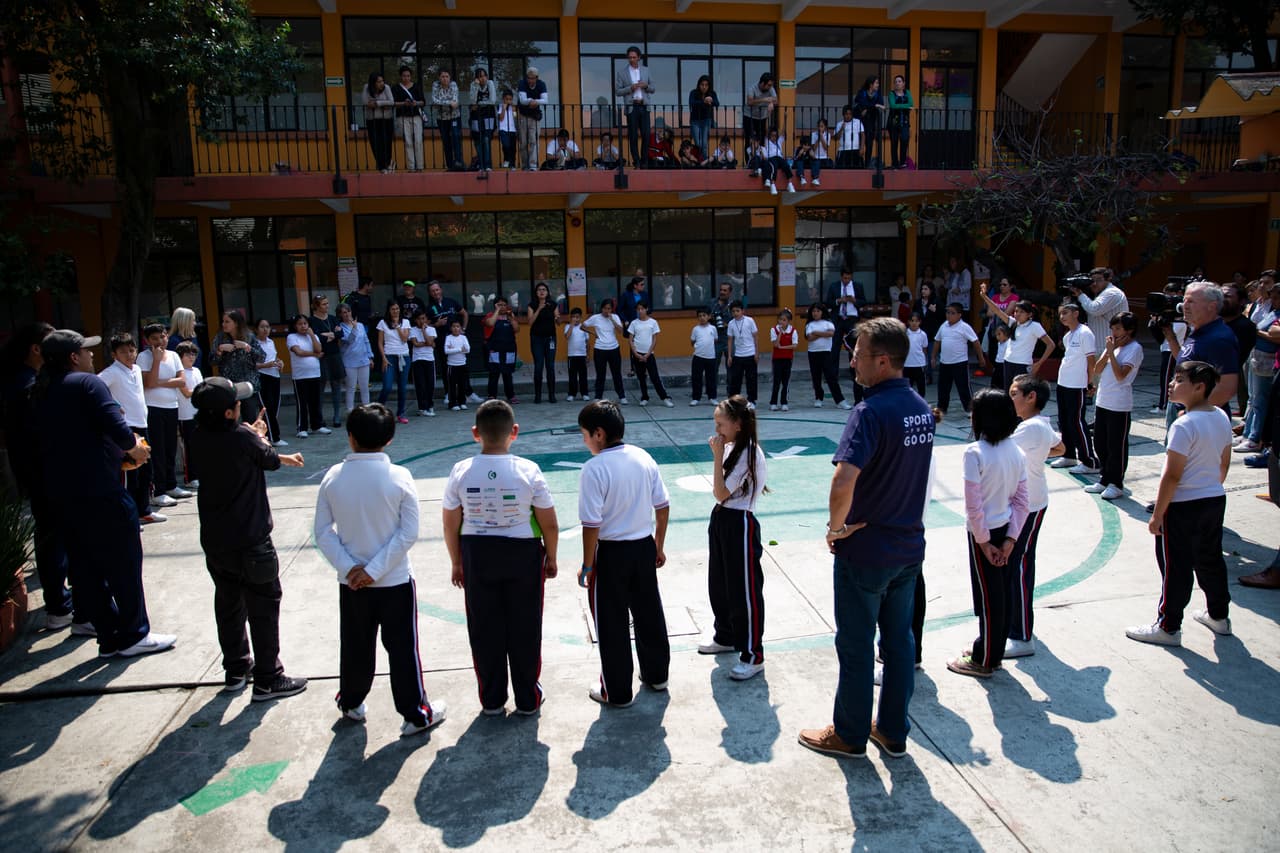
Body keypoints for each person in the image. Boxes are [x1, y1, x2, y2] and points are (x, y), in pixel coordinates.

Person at [798, 318, 935, 760]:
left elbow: (844, 480)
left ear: (881, 360)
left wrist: (836, 529)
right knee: (899, 645)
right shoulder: (918, 405)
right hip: (908, 547)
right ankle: (893, 730)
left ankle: (850, 733)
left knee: (856, 647)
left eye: (857, 352)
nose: (851, 359)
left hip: (867, 551)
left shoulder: (869, 411)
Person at [35, 329, 174, 657]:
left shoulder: (40, 391)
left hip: (62, 493)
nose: (91, 355)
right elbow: (117, 426)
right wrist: (135, 450)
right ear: (73, 357)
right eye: (85, 350)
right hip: (101, 490)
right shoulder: (87, 384)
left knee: (84, 567)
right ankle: (134, 633)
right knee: (123, 562)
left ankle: (109, 636)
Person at [315, 403, 446, 735]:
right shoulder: (399, 477)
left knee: (356, 643)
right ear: (390, 439)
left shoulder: (333, 477)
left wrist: (351, 569)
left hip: (352, 584)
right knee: (402, 648)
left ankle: (351, 701)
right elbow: (409, 532)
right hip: (395, 581)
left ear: (350, 438)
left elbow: (322, 532)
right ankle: (415, 714)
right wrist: (375, 570)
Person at [188, 376, 307, 699]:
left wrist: (251, 435)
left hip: (216, 539)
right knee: (263, 607)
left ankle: (236, 670)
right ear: (229, 412)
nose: (241, 405)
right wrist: (259, 437)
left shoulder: (197, 436)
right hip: (251, 539)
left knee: (228, 605)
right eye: (237, 403)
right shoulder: (242, 436)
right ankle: (269, 677)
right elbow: (268, 460)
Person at [442, 400, 559, 715]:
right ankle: (526, 698)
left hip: (477, 554)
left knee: (484, 627)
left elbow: (450, 521)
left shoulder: (461, 470)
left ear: (475, 433)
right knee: (526, 626)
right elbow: (549, 521)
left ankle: (492, 699)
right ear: (514, 432)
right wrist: (552, 556)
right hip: (523, 554)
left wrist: (457, 561)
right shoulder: (528, 470)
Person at [1126, 361, 1233, 647]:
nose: (1172, 384)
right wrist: (1209, 486)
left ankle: (1168, 626)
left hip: (1184, 506)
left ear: (1199, 387)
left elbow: (1172, 476)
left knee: (1176, 567)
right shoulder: (1222, 417)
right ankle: (1219, 616)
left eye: (1180, 379)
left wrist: (1157, 515)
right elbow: (1224, 463)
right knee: (1210, 559)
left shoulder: (1184, 425)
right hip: (1213, 499)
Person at [576, 400, 671, 707]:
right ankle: (657, 675)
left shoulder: (594, 469)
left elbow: (591, 525)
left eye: (585, 434)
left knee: (612, 622)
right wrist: (658, 544)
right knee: (649, 612)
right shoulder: (642, 457)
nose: (584, 440)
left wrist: (587, 565)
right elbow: (663, 505)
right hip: (643, 546)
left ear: (599, 434)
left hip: (612, 554)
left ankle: (616, 691)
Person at [947, 389, 1029, 678]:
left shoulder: (975, 453)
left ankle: (987, 660)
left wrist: (984, 543)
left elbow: (974, 504)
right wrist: (1010, 540)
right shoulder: (1015, 450)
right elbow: (1022, 501)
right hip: (1005, 530)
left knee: (989, 599)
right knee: (1000, 594)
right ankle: (987, 648)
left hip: (984, 534)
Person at [1, 322, 78, 630]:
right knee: (52, 535)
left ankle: (61, 599)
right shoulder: (25, 386)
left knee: (54, 534)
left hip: (40, 472)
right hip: (42, 473)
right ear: (36, 349)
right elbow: (35, 437)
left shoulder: (28, 381)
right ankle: (59, 605)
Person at [694, 395, 770, 680]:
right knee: (720, 582)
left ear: (737, 425)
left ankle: (753, 654)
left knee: (745, 592)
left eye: (720, 423)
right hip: (723, 519)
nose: (716, 430)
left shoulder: (748, 452)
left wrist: (715, 457)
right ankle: (725, 636)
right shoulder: (732, 447)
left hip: (740, 522)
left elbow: (721, 492)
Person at [1006, 374, 1065, 658]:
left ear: (1032, 397)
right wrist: (1038, 457)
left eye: (1015, 393)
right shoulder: (1040, 425)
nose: (1011, 398)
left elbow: (998, 455)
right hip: (1032, 500)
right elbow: (1061, 447)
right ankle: (1017, 622)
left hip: (1027, 505)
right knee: (1018, 563)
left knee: (1020, 565)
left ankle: (1021, 634)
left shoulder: (1028, 429)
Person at [99, 332, 163, 522]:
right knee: (130, 474)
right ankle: (130, 515)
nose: (129, 354)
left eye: (132, 350)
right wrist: (115, 407)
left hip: (142, 423)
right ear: (114, 355)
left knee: (145, 471)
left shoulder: (135, 369)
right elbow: (96, 388)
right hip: (126, 428)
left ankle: (144, 511)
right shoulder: (111, 372)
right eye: (123, 351)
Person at [1160, 281, 1239, 431]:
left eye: (1191, 301)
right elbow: (1186, 362)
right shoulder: (1198, 330)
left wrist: (1191, 414)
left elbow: (1227, 387)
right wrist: (1170, 337)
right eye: (1184, 300)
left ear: (1212, 306)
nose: (1185, 306)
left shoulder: (1219, 338)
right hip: (1184, 411)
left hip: (1201, 421)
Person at [1088, 313, 1143, 500]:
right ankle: (1105, 478)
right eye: (1113, 328)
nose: (1114, 332)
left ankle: (1116, 482)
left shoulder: (1134, 349)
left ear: (1129, 330)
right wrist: (1108, 351)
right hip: (1103, 400)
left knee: (1116, 445)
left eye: (1118, 328)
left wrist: (1112, 351)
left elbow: (1121, 376)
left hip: (1119, 404)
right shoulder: (1113, 346)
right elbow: (1097, 369)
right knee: (1100, 442)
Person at [137, 322, 191, 504]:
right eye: (155, 338)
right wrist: (157, 361)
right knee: (157, 449)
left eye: (163, 336)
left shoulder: (174, 355)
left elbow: (181, 382)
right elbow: (149, 383)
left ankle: (170, 485)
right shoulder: (144, 357)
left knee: (170, 448)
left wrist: (160, 382)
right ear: (147, 341)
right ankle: (158, 490)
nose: (160, 341)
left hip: (171, 406)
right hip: (153, 407)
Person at [1050, 303, 1098, 473]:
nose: (1062, 316)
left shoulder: (1085, 333)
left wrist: (1090, 382)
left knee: (1077, 421)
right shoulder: (1068, 336)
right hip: (1063, 383)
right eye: (1060, 313)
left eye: (1066, 312)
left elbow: (1091, 361)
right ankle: (1069, 455)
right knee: (1064, 420)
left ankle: (1089, 461)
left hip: (1077, 385)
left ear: (1076, 313)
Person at [978, 286, 1056, 385]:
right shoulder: (1013, 323)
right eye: (1016, 311)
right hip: (1008, 362)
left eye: (1021, 312)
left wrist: (1039, 363)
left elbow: (1051, 345)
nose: (1017, 314)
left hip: (1022, 365)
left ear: (1029, 314)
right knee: (1009, 393)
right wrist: (984, 297)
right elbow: (997, 311)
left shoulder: (1034, 326)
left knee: (1021, 393)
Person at [1238, 278, 1280, 452]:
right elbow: (1269, 331)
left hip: (1267, 360)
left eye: (1276, 297)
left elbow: (1274, 335)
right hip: (1256, 356)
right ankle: (1248, 433)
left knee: (1260, 400)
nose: (1273, 300)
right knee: (1253, 398)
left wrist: (1258, 331)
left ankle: (1255, 437)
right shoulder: (1273, 312)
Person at [931, 303, 987, 418]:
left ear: (959, 315)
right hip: (944, 362)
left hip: (959, 363)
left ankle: (970, 409)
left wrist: (981, 358)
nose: (949, 315)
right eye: (947, 312)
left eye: (952, 313)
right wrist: (933, 357)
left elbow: (975, 342)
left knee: (963, 387)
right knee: (943, 387)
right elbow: (937, 341)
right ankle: (942, 408)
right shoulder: (943, 326)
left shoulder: (964, 327)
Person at [426, 280, 478, 402]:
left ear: (441, 290)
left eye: (437, 289)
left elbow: (464, 314)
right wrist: (436, 324)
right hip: (442, 341)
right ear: (430, 293)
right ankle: (449, 393)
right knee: (446, 368)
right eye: (433, 291)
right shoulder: (429, 307)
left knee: (463, 367)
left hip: (457, 339)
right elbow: (425, 325)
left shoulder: (451, 302)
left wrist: (463, 329)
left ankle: (468, 392)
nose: (435, 292)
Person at [210, 310, 264, 424]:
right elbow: (211, 361)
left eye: (227, 322)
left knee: (249, 420)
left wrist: (248, 347)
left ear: (236, 323)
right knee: (228, 420)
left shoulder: (249, 337)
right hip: (228, 386)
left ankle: (249, 441)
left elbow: (262, 357)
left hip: (248, 385)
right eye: (223, 321)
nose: (223, 324)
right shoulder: (220, 337)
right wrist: (220, 350)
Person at [1072, 267, 1129, 356]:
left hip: (1110, 351)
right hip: (1101, 349)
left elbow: (1094, 309)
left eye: (1098, 280)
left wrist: (1080, 294)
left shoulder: (1112, 293)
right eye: (1092, 281)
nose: (1094, 284)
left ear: (1108, 279)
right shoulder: (1099, 295)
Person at [288, 315, 329, 438]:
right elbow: (298, 352)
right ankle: (302, 427)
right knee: (302, 402)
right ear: (295, 326)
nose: (303, 326)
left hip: (315, 373)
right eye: (300, 324)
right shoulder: (292, 337)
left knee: (315, 401)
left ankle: (317, 425)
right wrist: (314, 354)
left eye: (305, 323)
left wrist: (311, 335)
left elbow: (319, 349)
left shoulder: (314, 336)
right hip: (300, 376)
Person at [309, 294, 344, 428]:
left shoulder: (333, 319)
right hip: (322, 355)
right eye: (324, 304)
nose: (327, 306)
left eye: (327, 303)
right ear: (317, 306)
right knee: (320, 387)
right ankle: (319, 417)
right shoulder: (312, 320)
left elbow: (341, 334)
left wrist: (330, 335)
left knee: (336, 385)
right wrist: (330, 335)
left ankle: (336, 416)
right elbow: (316, 337)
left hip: (335, 355)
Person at [804, 302, 847, 409]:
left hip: (826, 353)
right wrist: (822, 334)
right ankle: (818, 397)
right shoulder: (809, 324)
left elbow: (831, 334)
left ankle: (840, 400)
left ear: (822, 312)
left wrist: (816, 333)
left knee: (831, 377)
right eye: (813, 311)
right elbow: (809, 337)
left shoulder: (828, 323)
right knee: (816, 377)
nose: (815, 313)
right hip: (813, 353)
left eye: (818, 311)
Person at [584, 299, 627, 403]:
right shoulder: (595, 318)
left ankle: (622, 396)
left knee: (616, 373)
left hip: (614, 349)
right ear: (601, 308)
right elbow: (582, 326)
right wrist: (594, 334)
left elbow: (621, 331)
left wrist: (612, 320)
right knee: (600, 374)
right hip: (600, 349)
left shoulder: (615, 317)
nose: (607, 311)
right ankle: (598, 396)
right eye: (605, 308)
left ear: (612, 309)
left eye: (609, 308)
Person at [251, 319, 286, 448]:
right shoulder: (254, 344)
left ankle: (265, 435)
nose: (265, 329)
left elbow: (274, 358)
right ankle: (274, 437)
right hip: (262, 377)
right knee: (267, 408)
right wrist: (267, 365)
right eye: (262, 327)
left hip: (274, 376)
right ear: (256, 329)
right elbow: (252, 365)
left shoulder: (271, 342)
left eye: (267, 326)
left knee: (275, 406)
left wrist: (279, 362)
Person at [377, 301, 411, 424]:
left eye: (397, 308)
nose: (395, 311)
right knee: (387, 386)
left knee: (402, 387)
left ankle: (401, 413)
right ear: (389, 310)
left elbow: (404, 338)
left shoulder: (405, 322)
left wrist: (397, 326)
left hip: (404, 357)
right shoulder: (382, 323)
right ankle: (377, 410)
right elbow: (380, 343)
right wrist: (383, 358)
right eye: (393, 309)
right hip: (389, 357)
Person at [336, 303, 372, 419]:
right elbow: (349, 340)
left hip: (363, 360)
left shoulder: (360, 325)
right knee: (351, 387)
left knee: (364, 386)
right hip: (349, 361)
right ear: (340, 315)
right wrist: (354, 328)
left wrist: (370, 356)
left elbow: (366, 341)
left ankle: (367, 410)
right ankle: (350, 411)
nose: (347, 314)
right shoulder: (340, 328)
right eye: (344, 312)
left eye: (348, 311)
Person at [525, 281, 558, 404]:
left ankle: (551, 395)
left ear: (547, 292)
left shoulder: (553, 304)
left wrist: (558, 318)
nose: (542, 291)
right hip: (536, 339)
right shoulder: (532, 305)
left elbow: (558, 320)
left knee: (550, 366)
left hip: (550, 338)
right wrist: (539, 308)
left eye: (544, 289)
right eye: (539, 290)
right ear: (536, 292)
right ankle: (538, 395)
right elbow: (530, 322)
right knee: (538, 366)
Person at [174, 342, 202, 490]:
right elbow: (186, 393)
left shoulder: (196, 370)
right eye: (187, 354)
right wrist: (201, 390)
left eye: (193, 354)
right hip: (185, 415)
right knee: (188, 447)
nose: (191, 357)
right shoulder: (179, 373)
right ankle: (190, 477)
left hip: (198, 413)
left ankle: (198, 474)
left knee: (199, 445)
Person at [484, 296, 519, 403]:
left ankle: (511, 396)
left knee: (507, 373)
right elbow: (490, 323)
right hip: (494, 349)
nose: (502, 307)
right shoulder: (490, 315)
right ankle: (491, 395)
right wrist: (497, 311)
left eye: (504, 305)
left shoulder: (510, 316)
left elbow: (517, 329)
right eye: (500, 305)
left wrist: (511, 318)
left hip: (509, 349)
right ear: (495, 306)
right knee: (494, 373)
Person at [392, 65, 425, 172]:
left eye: (408, 76)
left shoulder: (416, 86)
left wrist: (416, 103)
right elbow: (393, 103)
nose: (406, 78)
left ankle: (419, 166)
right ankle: (411, 167)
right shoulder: (396, 88)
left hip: (416, 116)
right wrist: (403, 103)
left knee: (418, 141)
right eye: (404, 76)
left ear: (411, 76)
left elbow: (423, 101)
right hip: (403, 117)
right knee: (408, 142)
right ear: (401, 76)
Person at [726, 301, 759, 409]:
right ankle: (734, 401)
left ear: (742, 311)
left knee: (751, 379)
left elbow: (755, 337)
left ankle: (752, 400)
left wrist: (756, 353)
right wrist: (730, 355)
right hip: (738, 356)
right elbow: (730, 340)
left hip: (750, 354)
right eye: (733, 311)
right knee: (735, 380)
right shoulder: (731, 323)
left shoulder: (749, 321)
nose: (735, 313)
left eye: (737, 311)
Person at [981, 277, 1019, 369]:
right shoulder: (995, 297)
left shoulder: (1014, 297)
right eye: (1000, 284)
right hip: (994, 328)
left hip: (1007, 328)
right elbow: (989, 313)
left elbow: (1007, 313)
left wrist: (997, 311)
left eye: (1005, 284)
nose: (1002, 286)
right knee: (993, 351)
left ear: (1011, 287)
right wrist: (999, 312)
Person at [517, 67, 548, 171]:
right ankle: (525, 165)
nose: (530, 80)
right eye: (529, 78)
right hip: (523, 116)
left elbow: (545, 100)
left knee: (534, 141)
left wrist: (536, 102)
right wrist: (532, 101)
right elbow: (522, 100)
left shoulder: (541, 84)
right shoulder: (522, 83)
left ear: (537, 78)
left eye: (533, 78)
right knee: (523, 143)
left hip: (534, 117)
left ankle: (533, 165)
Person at [432, 69, 463, 171]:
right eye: (442, 76)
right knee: (446, 141)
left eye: (447, 76)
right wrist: (449, 103)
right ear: (439, 78)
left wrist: (443, 103)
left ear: (450, 78)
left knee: (456, 138)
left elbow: (455, 101)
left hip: (454, 116)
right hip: (442, 119)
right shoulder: (436, 85)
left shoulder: (453, 85)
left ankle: (458, 162)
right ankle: (450, 165)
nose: (445, 78)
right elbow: (434, 100)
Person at [363, 72, 395, 173]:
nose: (381, 83)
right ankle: (381, 166)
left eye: (382, 81)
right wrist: (383, 104)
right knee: (375, 143)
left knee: (386, 142)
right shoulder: (367, 88)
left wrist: (377, 103)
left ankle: (388, 163)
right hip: (372, 120)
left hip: (386, 119)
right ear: (373, 83)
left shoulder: (387, 88)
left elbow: (391, 102)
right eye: (379, 82)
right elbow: (365, 102)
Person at [469, 66, 498, 172]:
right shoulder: (473, 85)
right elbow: (472, 100)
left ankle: (488, 165)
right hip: (475, 115)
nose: (483, 78)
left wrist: (479, 104)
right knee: (477, 140)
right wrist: (476, 86)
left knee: (486, 139)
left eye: (484, 76)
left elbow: (492, 100)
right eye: (480, 76)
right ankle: (480, 165)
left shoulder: (490, 83)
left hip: (488, 115)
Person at [408, 309, 436, 417]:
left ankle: (430, 405)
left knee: (430, 383)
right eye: (419, 319)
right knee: (420, 384)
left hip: (429, 359)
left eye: (423, 318)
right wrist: (428, 343)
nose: (421, 321)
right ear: (415, 320)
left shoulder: (431, 329)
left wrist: (424, 332)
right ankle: (422, 407)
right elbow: (415, 343)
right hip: (417, 359)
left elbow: (430, 342)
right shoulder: (412, 330)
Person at [688, 306, 719, 406]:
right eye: (700, 316)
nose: (702, 318)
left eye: (704, 315)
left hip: (710, 357)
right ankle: (696, 398)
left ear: (709, 316)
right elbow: (692, 342)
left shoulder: (713, 328)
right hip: (698, 357)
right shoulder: (695, 329)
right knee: (696, 378)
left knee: (711, 378)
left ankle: (712, 397)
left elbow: (715, 340)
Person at [854, 75, 885, 168]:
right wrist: (875, 106)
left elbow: (882, 105)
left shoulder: (878, 94)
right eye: (876, 83)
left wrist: (869, 108)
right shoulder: (862, 93)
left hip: (871, 121)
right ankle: (858, 164)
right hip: (860, 121)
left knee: (870, 143)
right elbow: (861, 103)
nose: (878, 85)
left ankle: (867, 164)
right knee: (858, 143)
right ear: (871, 84)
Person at [769, 308, 796, 411]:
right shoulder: (774, 330)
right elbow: (776, 344)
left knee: (786, 382)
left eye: (784, 320)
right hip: (777, 359)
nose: (781, 322)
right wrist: (780, 333)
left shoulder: (793, 331)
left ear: (788, 321)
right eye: (780, 319)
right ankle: (773, 402)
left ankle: (784, 402)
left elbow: (794, 345)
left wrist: (783, 347)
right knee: (776, 381)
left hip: (788, 359)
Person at [886, 74, 913, 169]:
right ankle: (895, 163)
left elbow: (911, 104)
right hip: (893, 122)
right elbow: (893, 105)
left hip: (904, 122)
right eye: (896, 82)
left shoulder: (907, 92)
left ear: (903, 83)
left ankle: (902, 162)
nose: (897, 83)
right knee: (894, 142)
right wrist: (905, 106)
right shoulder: (891, 94)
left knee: (905, 139)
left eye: (899, 81)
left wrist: (902, 106)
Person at [744, 73, 777, 149]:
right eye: (768, 85)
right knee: (749, 139)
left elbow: (776, 100)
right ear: (762, 83)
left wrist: (771, 103)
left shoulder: (770, 88)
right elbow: (749, 102)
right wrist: (764, 99)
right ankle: (749, 160)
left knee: (761, 138)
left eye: (771, 85)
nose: (770, 87)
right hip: (749, 116)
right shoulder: (752, 88)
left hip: (762, 117)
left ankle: (761, 158)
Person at [444, 319, 471, 411]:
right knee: (452, 385)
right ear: (451, 328)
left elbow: (467, 349)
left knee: (462, 384)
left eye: (458, 326)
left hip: (462, 365)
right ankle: (452, 403)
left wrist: (454, 349)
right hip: (452, 365)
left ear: (460, 328)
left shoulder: (463, 338)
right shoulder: (448, 338)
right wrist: (460, 349)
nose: (456, 328)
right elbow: (446, 351)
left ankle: (462, 402)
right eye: (454, 326)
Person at [564, 307, 589, 402]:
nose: (575, 319)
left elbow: (587, 342)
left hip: (582, 355)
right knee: (572, 376)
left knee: (583, 375)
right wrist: (571, 325)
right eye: (573, 317)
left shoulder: (584, 327)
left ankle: (584, 393)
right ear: (571, 318)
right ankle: (572, 394)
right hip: (571, 355)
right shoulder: (567, 326)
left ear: (581, 318)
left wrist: (588, 355)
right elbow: (567, 336)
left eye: (577, 317)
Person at [167, 307, 202, 371]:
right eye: (193, 320)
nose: (195, 323)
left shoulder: (193, 338)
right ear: (184, 322)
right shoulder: (173, 341)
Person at [904, 313, 929, 397]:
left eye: (916, 321)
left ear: (920, 322)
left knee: (921, 386)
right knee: (907, 387)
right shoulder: (904, 334)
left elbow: (924, 349)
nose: (914, 323)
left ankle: (921, 403)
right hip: (907, 364)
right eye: (912, 321)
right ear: (908, 322)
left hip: (919, 364)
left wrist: (923, 361)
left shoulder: (923, 334)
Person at [834, 104, 864, 169]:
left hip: (855, 149)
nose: (848, 116)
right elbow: (836, 138)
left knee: (857, 169)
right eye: (846, 114)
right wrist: (842, 128)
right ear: (843, 114)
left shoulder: (857, 122)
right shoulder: (839, 124)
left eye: (850, 114)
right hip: (843, 150)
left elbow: (862, 135)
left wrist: (862, 148)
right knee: (841, 169)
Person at [497, 88, 518, 169]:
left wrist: (514, 111)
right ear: (503, 99)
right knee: (506, 145)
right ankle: (506, 159)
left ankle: (512, 163)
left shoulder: (513, 107)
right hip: (503, 129)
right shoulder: (500, 106)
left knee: (513, 147)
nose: (508, 101)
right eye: (507, 99)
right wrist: (503, 109)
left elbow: (515, 118)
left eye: (510, 99)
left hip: (512, 129)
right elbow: (501, 118)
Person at [807, 119, 833, 186]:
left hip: (824, 157)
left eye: (822, 126)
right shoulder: (813, 134)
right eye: (819, 126)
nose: (820, 128)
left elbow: (826, 148)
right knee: (816, 163)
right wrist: (818, 138)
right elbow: (813, 149)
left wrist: (822, 137)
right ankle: (815, 178)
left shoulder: (828, 135)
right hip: (816, 157)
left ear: (825, 127)